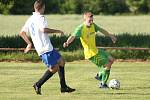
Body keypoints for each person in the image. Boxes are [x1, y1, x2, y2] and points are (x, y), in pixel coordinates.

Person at [19, 0, 75, 95]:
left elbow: (22, 33)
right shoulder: (41, 17)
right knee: (54, 68)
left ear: (35, 7)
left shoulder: (30, 19)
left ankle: (63, 87)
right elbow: (43, 29)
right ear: (42, 7)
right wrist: (58, 31)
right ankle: (38, 84)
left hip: (47, 47)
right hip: (44, 48)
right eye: (44, 7)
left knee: (61, 61)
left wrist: (29, 44)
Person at [63, 11, 117, 88]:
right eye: (89, 21)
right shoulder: (80, 28)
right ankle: (102, 84)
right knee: (107, 64)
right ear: (84, 20)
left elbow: (102, 30)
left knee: (111, 60)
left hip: (96, 50)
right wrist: (67, 42)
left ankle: (100, 74)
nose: (91, 22)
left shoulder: (93, 25)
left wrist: (111, 36)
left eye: (92, 20)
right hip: (91, 53)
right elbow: (73, 36)